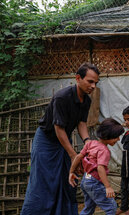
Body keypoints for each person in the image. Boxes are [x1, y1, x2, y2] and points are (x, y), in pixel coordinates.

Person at [21, 63, 99, 215]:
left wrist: (87, 141)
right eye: (90, 81)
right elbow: (59, 128)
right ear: (78, 78)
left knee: (67, 180)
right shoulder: (62, 97)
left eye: (96, 82)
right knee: (42, 182)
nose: (93, 86)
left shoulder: (87, 101)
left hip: (63, 140)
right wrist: (73, 155)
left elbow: (81, 123)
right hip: (46, 141)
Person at [68, 118, 125, 215]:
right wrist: (108, 187)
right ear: (108, 136)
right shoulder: (104, 151)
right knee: (111, 207)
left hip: (86, 181)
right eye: (116, 137)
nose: (118, 139)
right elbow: (100, 168)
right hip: (94, 183)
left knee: (89, 208)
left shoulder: (91, 143)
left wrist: (71, 172)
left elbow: (78, 157)